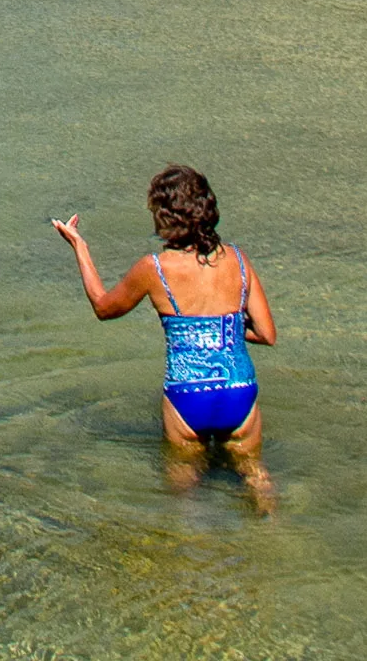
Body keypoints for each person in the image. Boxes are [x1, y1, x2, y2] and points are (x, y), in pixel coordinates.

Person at [52, 164, 277, 511]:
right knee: (258, 480)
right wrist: (221, 332)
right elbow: (266, 334)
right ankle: (273, 539)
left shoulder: (154, 268)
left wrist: (79, 246)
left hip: (188, 397)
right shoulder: (238, 260)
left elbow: (103, 307)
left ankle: (188, 556)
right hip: (238, 391)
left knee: (185, 502)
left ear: (165, 216)